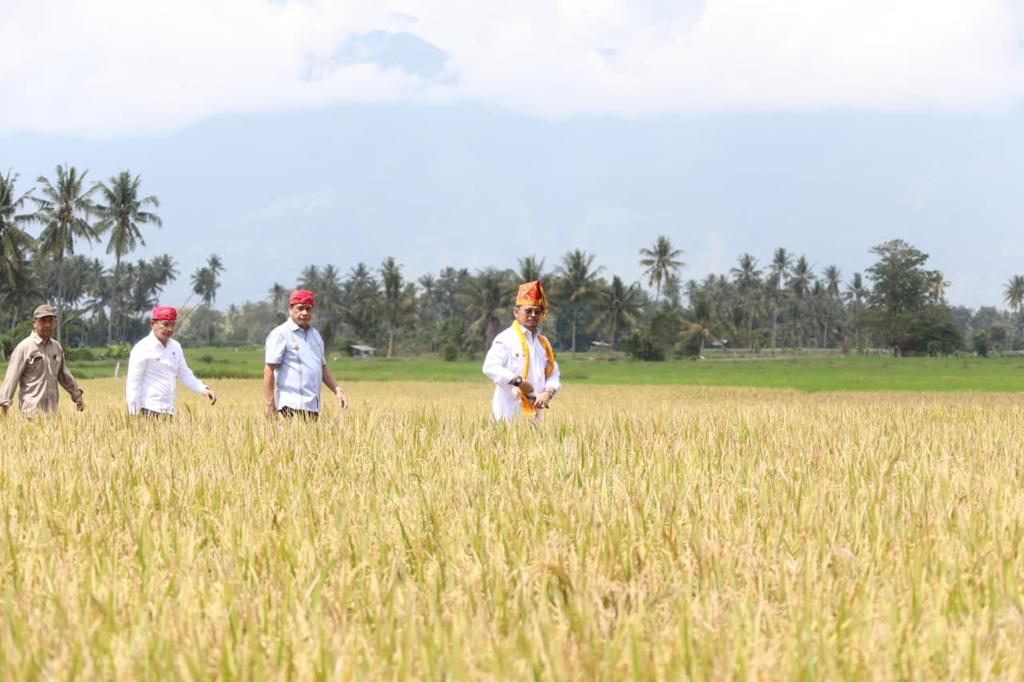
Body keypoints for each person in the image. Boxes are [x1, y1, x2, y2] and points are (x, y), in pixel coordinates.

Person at [482, 280, 561, 422]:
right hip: (508, 414)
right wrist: (519, 382)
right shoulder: (506, 338)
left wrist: (548, 393)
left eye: (537, 311)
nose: (533, 315)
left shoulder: (543, 344)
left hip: (535, 415)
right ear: (516, 312)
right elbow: (490, 367)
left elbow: (553, 374)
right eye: (528, 311)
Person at [264, 290, 348, 420]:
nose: (304, 313)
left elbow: (322, 367)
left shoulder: (315, 335)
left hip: (312, 408)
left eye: (308, 309)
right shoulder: (281, 334)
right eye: (300, 308)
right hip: (288, 406)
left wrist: (337, 389)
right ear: (290, 309)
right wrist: (270, 404)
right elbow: (269, 369)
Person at [125, 306, 217, 417]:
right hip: (148, 410)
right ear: (153, 324)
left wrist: (204, 389)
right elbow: (133, 383)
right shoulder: (142, 348)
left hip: (169, 411)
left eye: (173, 325)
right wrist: (133, 414)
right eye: (166, 324)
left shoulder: (175, 347)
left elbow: (185, 373)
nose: (170, 329)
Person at [0, 304, 85, 417]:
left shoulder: (56, 347)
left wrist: (77, 395)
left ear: (55, 323)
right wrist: (4, 406)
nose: (47, 325)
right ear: (34, 323)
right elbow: (12, 378)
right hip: (30, 415)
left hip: (52, 414)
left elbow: (63, 374)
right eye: (43, 321)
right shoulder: (24, 348)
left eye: (51, 321)